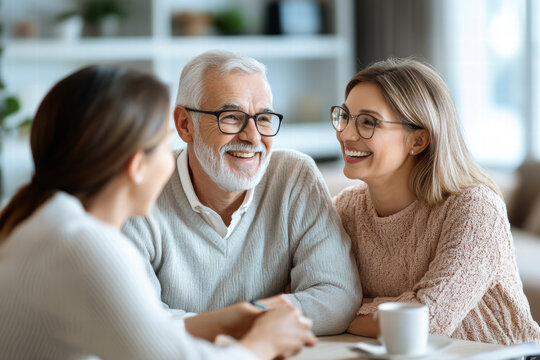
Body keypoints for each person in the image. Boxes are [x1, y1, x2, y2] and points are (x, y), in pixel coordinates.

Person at [0, 65, 317, 360]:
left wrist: (219, 322)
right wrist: (263, 343)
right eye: (164, 145)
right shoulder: (83, 247)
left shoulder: (43, 222)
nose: (172, 160)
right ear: (137, 167)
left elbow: (141, 338)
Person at [122, 50, 362, 336]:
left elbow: (336, 298)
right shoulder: (140, 189)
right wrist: (277, 312)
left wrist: (232, 320)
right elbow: (134, 322)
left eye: (263, 118)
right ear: (185, 125)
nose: (253, 136)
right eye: (232, 117)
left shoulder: (294, 176)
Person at [332, 57, 540, 345]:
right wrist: (391, 308)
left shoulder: (475, 208)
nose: (345, 133)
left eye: (368, 122)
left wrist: (339, 311)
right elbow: (310, 295)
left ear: (418, 141)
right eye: (344, 117)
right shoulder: (346, 209)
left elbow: (426, 320)